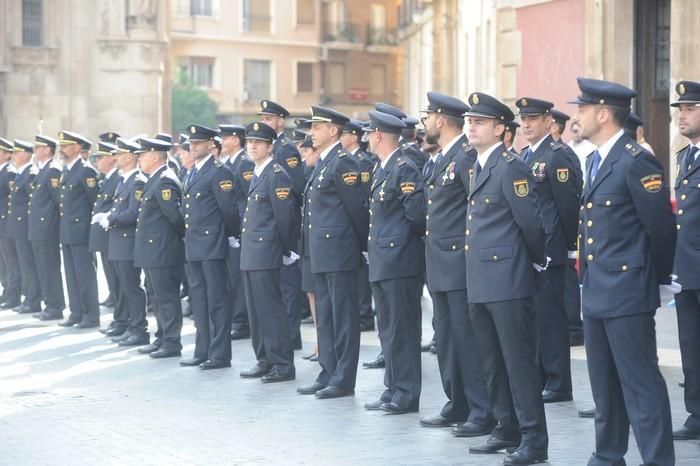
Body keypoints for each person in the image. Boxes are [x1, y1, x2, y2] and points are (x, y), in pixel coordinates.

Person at [571, 77, 676, 466]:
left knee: (640, 383)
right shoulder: (596, 159)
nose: (577, 115)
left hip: (628, 290)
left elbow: (660, 228)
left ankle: (658, 460)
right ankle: (608, 454)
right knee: (604, 383)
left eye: (582, 109)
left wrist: (660, 280)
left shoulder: (635, 160)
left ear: (602, 113)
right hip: (597, 289)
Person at [463, 92, 548, 465]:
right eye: (468, 121)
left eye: (479, 122)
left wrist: (533, 263)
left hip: (508, 278)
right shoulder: (476, 165)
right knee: (491, 360)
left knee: (518, 362)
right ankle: (505, 426)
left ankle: (533, 438)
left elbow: (530, 222)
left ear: (500, 129)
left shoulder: (510, 166)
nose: (471, 127)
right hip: (481, 278)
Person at [418, 91, 493, 437]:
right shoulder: (441, 158)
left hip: (459, 264)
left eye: (428, 117)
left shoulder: (464, 157)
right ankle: (457, 401)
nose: (425, 124)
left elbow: (474, 210)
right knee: (446, 337)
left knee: (467, 338)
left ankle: (481, 409)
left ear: (441, 120)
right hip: (440, 264)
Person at [296, 106, 368, 399]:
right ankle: (327, 370)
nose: (311, 132)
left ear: (334, 131)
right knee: (324, 315)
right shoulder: (324, 164)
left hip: (339, 251)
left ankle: (343, 378)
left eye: (317, 127)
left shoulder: (343, 163)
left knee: (343, 317)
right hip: (321, 251)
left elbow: (357, 211)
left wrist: (362, 248)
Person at [516, 97, 582, 404]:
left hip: (551, 248)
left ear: (547, 121)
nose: (526, 124)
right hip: (530, 250)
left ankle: (559, 382)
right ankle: (543, 374)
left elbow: (568, 207)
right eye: (523, 119)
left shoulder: (557, 156)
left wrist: (569, 247)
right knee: (535, 318)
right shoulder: (524, 156)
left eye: (532, 119)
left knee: (551, 319)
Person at [363, 111, 425, 415]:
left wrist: (402, 249)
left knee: (403, 330)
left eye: (369, 134)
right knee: (387, 329)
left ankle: (407, 393)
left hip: (400, 262)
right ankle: (393, 388)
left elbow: (417, 217)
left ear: (378, 135)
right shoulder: (383, 167)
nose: (366, 139)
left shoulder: (404, 168)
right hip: (383, 261)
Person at [239, 121, 299, 383]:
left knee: (271, 310)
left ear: (269, 146)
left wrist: (285, 249)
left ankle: (282, 364)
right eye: (249, 141)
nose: (252, 146)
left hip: (266, 251)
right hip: (253, 252)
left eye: (258, 142)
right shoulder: (259, 172)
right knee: (255, 310)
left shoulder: (276, 174)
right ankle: (264, 358)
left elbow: (285, 217)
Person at [179, 124, 240, 370]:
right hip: (194, 244)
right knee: (199, 300)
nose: (193, 147)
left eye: (198, 143)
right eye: (191, 143)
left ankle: (219, 353)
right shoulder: (192, 172)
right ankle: (202, 349)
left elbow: (228, 211)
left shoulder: (219, 172)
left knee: (217, 300)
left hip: (212, 243)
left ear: (211, 145)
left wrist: (230, 236)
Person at [258, 99, 305, 350]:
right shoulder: (267, 147)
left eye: (268, 119)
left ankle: (291, 335)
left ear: (280, 121)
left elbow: (294, 188)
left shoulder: (285, 148)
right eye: (262, 118)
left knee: (288, 285)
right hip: (270, 225)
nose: (265, 122)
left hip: (285, 223)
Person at [133, 137, 186, 359]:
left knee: (166, 298)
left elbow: (175, 217)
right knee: (156, 297)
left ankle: (172, 342)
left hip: (162, 251)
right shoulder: (154, 178)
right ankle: (162, 337)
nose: (139, 160)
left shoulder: (165, 180)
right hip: (153, 251)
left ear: (155, 157)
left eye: (142, 155)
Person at [96, 137, 149, 346]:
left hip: (127, 241)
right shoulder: (124, 179)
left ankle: (139, 330)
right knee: (124, 287)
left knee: (132, 287)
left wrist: (111, 218)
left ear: (129, 157)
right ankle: (129, 325)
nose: (115, 158)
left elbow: (134, 213)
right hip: (118, 241)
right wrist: (109, 215)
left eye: (118, 154)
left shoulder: (137, 181)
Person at [670, 80, 700, 441]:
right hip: (687, 267)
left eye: (690, 109)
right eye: (680, 110)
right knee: (690, 345)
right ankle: (696, 412)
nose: (682, 116)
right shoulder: (684, 156)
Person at [57, 131, 101, 328]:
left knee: (85, 276)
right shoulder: (67, 170)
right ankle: (76, 312)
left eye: (65, 146)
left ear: (76, 147)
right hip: (67, 231)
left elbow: (95, 202)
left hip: (81, 232)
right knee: (71, 275)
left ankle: (90, 315)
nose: (62, 150)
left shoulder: (86, 171)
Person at [219, 124, 253, 341]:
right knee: (231, 277)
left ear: (235, 140)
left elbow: (248, 198)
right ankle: (236, 317)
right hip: (229, 227)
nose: (222, 141)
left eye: (225, 137)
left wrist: (239, 228)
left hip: (241, 228)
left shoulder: (244, 164)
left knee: (238, 279)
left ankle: (241, 321)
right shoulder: (228, 163)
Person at [340, 118, 375, 332]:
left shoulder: (362, 161)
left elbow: (363, 194)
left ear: (354, 137)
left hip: (361, 221)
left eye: (344, 134)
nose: (341, 138)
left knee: (362, 274)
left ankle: (365, 315)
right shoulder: (345, 160)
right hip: (350, 225)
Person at [28, 135, 65, 321]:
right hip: (38, 229)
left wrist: (52, 227)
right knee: (43, 267)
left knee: (49, 267)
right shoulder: (43, 170)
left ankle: (55, 306)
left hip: (46, 229)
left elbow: (59, 202)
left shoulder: (52, 170)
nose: (34, 150)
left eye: (37, 147)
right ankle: (49, 303)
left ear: (47, 150)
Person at [7, 139, 42, 314]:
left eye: (16, 152)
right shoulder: (22, 173)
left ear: (26, 154)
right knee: (24, 264)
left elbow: (32, 203)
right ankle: (29, 297)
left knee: (29, 264)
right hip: (18, 227)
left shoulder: (30, 173)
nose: (12, 155)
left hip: (26, 226)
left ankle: (33, 299)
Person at [0, 137, 21, 310]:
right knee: (2, 262)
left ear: (7, 155)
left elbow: (13, 200)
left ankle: (13, 295)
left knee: (11, 262)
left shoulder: (9, 173)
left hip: (7, 224)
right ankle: (6, 291)